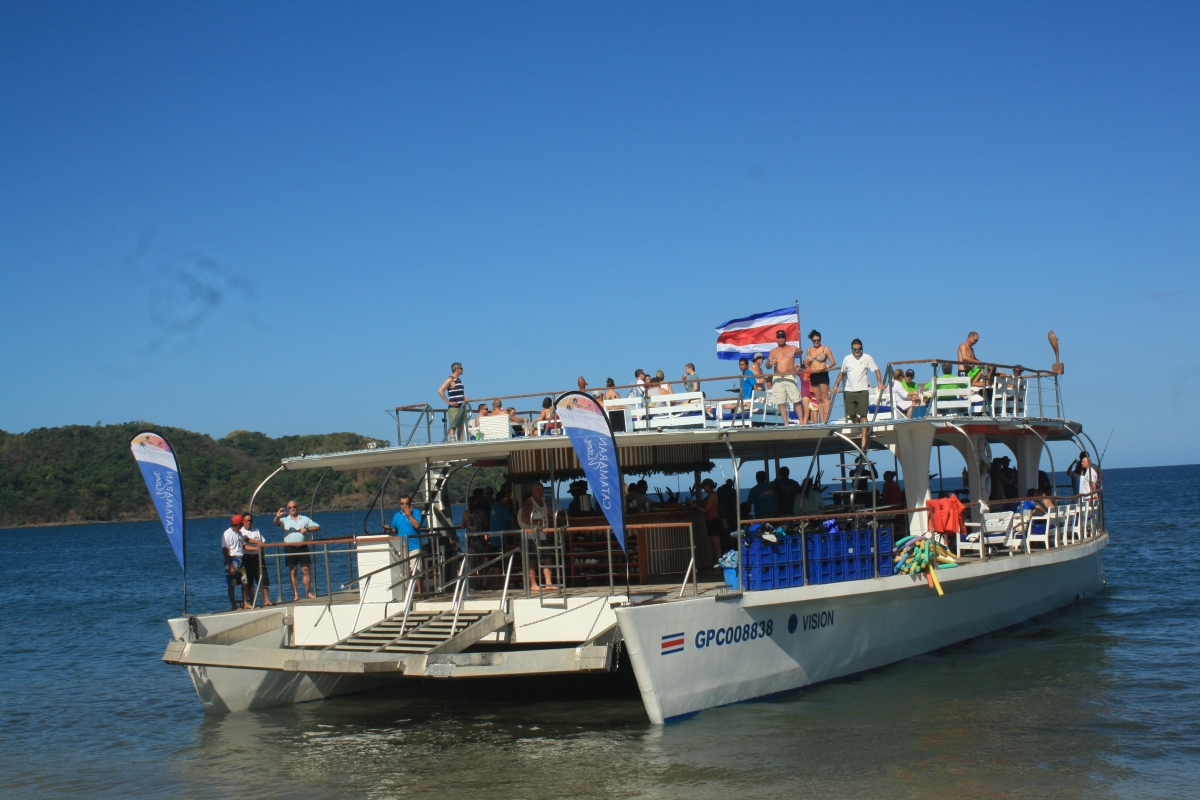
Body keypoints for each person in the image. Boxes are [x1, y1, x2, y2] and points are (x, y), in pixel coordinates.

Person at [832, 338, 882, 448]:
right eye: (855, 349)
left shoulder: (867, 358)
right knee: (852, 415)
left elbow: (877, 370)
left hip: (862, 390)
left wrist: (879, 382)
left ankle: (864, 437)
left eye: (859, 349)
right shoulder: (847, 359)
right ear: (852, 349)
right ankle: (865, 428)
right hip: (849, 390)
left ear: (862, 348)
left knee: (863, 415)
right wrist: (836, 384)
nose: (857, 351)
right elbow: (842, 373)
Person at [275, 500, 319, 600]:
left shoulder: (304, 519)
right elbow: (276, 523)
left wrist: (307, 529)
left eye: (294, 507)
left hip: (303, 547)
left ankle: (308, 592)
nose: (292, 509)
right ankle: (295, 594)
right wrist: (278, 515)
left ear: (297, 507)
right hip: (290, 548)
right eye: (289, 507)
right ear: (287, 509)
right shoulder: (284, 520)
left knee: (306, 570)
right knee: (293, 571)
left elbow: (317, 527)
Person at [385, 494, 425, 593]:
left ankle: (420, 591)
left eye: (407, 504)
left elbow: (417, 525)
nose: (404, 506)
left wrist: (408, 515)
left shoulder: (416, 513)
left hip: (414, 546)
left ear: (410, 504)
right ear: (400, 505)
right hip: (402, 546)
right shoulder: (397, 515)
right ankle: (407, 592)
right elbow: (395, 529)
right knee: (404, 570)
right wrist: (389, 529)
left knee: (417, 570)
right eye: (402, 504)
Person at [519, 484, 556, 590]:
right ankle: (533, 584)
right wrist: (536, 523)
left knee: (548, 557)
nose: (541, 491)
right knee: (532, 560)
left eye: (542, 489)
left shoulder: (543, 501)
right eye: (538, 489)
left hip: (542, 535)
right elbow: (523, 517)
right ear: (533, 491)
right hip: (532, 536)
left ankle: (548, 583)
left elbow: (550, 513)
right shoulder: (530, 502)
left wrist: (563, 518)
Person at [766, 329, 803, 425]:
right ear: (776, 339)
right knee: (781, 402)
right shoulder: (773, 351)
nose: (781, 339)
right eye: (779, 337)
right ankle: (786, 423)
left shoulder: (791, 348)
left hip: (789, 376)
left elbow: (800, 351)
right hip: (777, 378)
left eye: (782, 337)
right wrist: (770, 363)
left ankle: (802, 422)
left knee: (796, 400)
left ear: (785, 338)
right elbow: (767, 366)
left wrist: (795, 351)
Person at [240, 512, 272, 606]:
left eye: (250, 520)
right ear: (243, 521)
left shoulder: (256, 530)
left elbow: (262, 542)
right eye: (247, 520)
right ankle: (253, 601)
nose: (249, 522)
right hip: (247, 557)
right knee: (249, 580)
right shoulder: (241, 531)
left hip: (258, 557)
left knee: (264, 578)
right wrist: (257, 545)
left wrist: (261, 552)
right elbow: (245, 543)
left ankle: (266, 600)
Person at [805, 330, 836, 424]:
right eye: (814, 341)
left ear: (820, 339)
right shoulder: (809, 350)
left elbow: (833, 362)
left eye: (818, 340)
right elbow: (807, 362)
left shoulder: (825, 349)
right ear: (812, 340)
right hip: (813, 374)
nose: (816, 342)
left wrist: (827, 366)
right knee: (818, 399)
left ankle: (826, 418)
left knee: (825, 396)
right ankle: (822, 420)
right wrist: (805, 364)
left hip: (822, 374)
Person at [222, 514, 250, 611]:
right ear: (238, 524)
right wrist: (230, 566)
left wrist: (258, 548)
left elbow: (243, 546)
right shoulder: (227, 534)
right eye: (242, 524)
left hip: (240, 559)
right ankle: (234, 605)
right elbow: (225, 551)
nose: (243, 525)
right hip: (232, 559)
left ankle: (245, 602)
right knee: (232, 584)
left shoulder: (240, 533)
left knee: (245, 581)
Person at [438, 362, 469, 441]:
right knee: (453, 426)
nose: (463, 370)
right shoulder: (450, 379)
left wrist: (463, 398)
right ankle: (452, 442)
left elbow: (458, 392)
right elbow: (440, 390)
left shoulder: (459, 380)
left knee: (461, 426)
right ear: (457, 369)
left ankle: (460, 442)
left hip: (461, 406)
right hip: (454, 407)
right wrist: (448, 402)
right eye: (461, 368)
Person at [696, 478, 725, 560]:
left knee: (716, 546)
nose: (703, 489)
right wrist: (694, 502)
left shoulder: (712, 495)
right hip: (711, 521)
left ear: (709, 486)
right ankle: (717, 566)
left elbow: (705, 510)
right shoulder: (710, 495)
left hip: (714, 521)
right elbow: (701, 502)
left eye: (704, 487)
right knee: (714, 546)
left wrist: (695, 506)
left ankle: (718, 568)